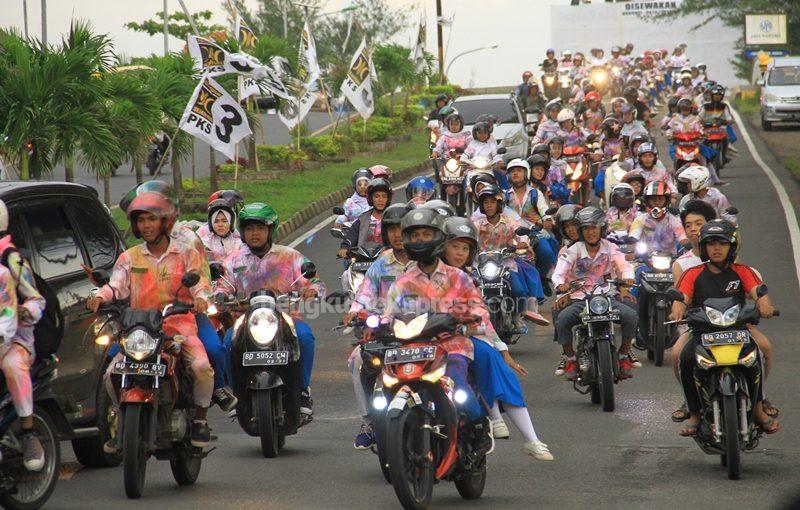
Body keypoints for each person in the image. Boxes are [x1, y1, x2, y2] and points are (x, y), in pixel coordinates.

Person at [88, 192, 215, 449]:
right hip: (139, 330)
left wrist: (201, 299)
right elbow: (116, 286)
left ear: (165, 222)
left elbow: (201, 285)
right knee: (111, 373)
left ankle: (200, 419)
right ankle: (121, 420)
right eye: (141, 220)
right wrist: (100, 297)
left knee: (202, 366)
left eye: (152, 219)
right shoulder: (129, 257)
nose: (146, 225)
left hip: (178, 327)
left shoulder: (187, 254)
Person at [441, 217, 553, 460]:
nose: (459, 253)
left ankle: (526, 435)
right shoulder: (415, 272)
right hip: (423, 340)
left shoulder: (465, 278)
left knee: (495, 364)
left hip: (461, 341)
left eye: (464, 248)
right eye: (454, 246)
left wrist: (503, 350)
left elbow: (481, 316)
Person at [384, 209, 492, 447]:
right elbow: (388, 316)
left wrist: (469, 319)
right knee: (387, 385)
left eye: (426, 234)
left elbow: (479, 309)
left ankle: (478, 427)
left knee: (457, 386)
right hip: (413, 349)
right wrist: (376, 327)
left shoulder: (459, 277)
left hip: (452, 347)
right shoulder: (401, 283)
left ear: (439, 237)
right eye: (415, 236)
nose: (420, 240)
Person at [669, 220, 780, 436]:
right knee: (685, 359)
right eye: (710, 243)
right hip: (703, 333)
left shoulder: (743, 271)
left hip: (738, 331)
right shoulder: (692, 273)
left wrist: (765, 305)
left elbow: (759, 291)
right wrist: (678, 310)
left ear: (732, 246)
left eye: (722, 243)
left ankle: (758, 407)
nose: (716, 248)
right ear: (703, 247)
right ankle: (693, 411)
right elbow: (681, 297)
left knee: (756, 357)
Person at [219, 203, 325, 417]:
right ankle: (237, 393)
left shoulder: (290, 257)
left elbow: (315, 282)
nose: (254, 233)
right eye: (249, 228)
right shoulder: (233, 261)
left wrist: (311, 290)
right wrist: (221, 295)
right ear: (242, 232)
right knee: (228, 343)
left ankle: (303, 389)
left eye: (260, 228)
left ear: (271, 230)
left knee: (305, 337)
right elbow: (222, 285)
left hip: (285, 316)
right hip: (245, 318)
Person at [344, 204, 412, 449]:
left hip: (424, 332)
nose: (397, 234)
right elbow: (365, 294)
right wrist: (354, 312)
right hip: (385, 332)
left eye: (402, 229)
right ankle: (368, 421)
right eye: (392, 229)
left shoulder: (425, 262)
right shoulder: (380, 265)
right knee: (357, 361)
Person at [551, 207, 638, 379]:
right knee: (562, 319)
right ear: (581, 231)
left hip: (607, 296)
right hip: (579, 299)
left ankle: (623, 354)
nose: (590, 232)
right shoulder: (573, 250)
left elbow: (623, 264)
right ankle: (569, 358)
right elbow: (560, 270)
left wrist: (628, 278)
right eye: (586, 229)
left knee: (631, 316)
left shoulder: (611, 247)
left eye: (594, 227)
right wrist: (560, 284)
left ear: (601, 228)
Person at [0, 201, 46, 471]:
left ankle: (28, 431)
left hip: (15, 339)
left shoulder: (11, 262)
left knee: (13, 366)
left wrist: (23, 312)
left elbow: (36, 301)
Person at [473, 186, 548, 326]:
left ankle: (518, 316)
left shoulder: (509, 221)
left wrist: (524, 243)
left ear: (499, 204)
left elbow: (521, 234)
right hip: (481, 265)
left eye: (492, 202)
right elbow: (469, 238)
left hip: (506, 264)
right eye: (485, 202)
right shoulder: (477, 224)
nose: (489, 205)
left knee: (519, 290)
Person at [338, 178, 393, 259]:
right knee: (347, 271)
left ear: (388, 199)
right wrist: (345, 247)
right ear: (370, 198)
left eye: (384, 196)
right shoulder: (362, 219)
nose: (380, 200)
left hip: (390, 260)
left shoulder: (394, 217)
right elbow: (351, 236)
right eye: (376, 196)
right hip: (363, 260)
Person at [198, 197, 244, 263]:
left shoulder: (239, 243)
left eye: (224, 221)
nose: (220, 225)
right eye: (216, 221)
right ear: (211, 224)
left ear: (231, 222)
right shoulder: (205, 243)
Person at [698, 84, 739, 157]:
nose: (717, 96)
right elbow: (699, 117)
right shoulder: (705, 106)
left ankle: (725, 151)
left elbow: (728, 118)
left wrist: (726, 121)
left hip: (720, 128)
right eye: (715, 94)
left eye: (719, 94)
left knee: (726, 138)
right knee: (700, 142)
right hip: (707, 128)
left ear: (722, 96)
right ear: (711, 95)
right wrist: (699, 122)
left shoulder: (724, 106)